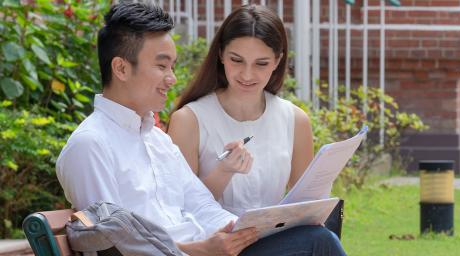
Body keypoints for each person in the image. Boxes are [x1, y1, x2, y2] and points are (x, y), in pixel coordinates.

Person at [55, 2, 345, 255]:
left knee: (317, 236)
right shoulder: (91, 145)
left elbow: (201, 205)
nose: (171, 78)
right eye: (162, 66)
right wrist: (202, 251)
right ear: (120, 68)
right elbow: (113, 248)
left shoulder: (156, 140)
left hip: (208, 250)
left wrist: (240, 232)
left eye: (172, 66)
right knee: (317, 243)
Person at [167, 5, 313, 216]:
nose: (247, 75)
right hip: (214, 240)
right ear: (221, 54)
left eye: (261, 64)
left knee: (321, 237)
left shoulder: (295, 120)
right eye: (237, 60)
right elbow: (179, 208)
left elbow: (306, 203)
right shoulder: (189, 120)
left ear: (277, 61)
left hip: (274, 239)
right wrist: (223, 172)